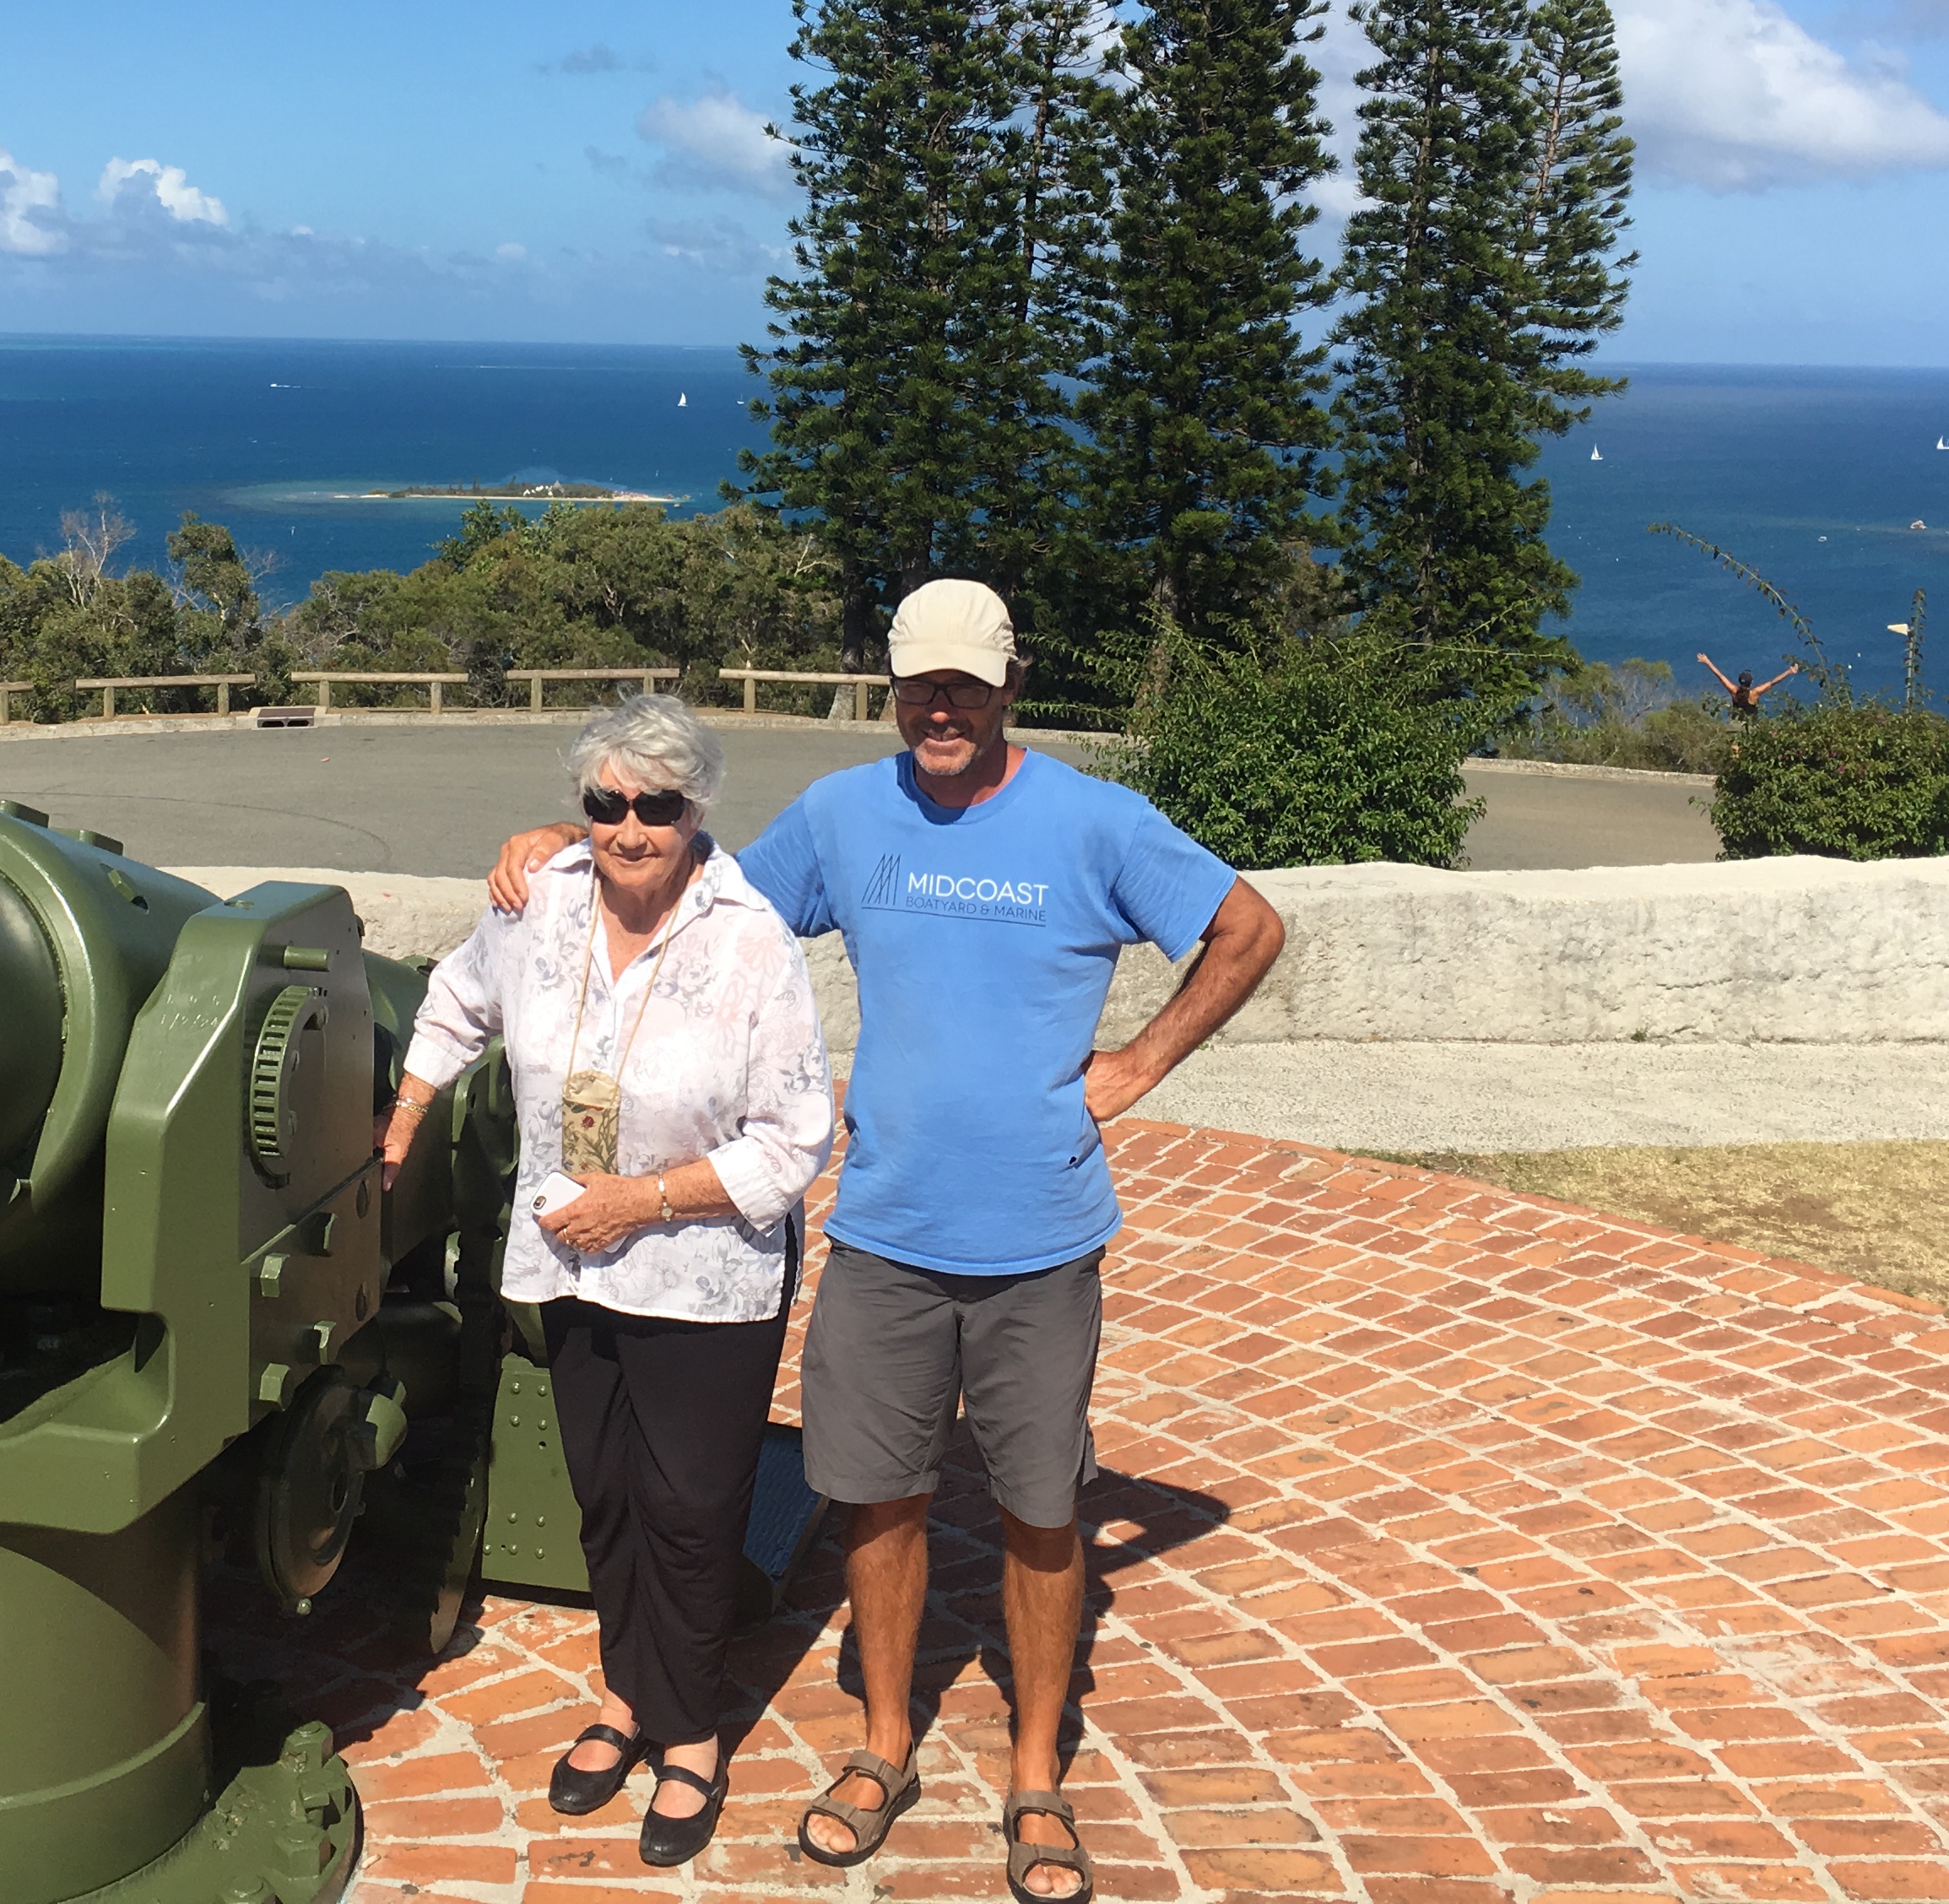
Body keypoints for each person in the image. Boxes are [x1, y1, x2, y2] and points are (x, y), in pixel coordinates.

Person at [487, 581, 1286, 1904]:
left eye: (966, 684)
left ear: (1010, 685)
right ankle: (883, 1746)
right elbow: (694, 884)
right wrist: (577, 839)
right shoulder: (847, 816)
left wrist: (1140, 1064)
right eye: (921, 685)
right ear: (896, 689)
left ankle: (1036, 1773)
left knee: (1042, 1515)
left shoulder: (1094, 821)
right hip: (885, 1234)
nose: (941, 708)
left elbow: (1247, 927)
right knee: (879, 1497)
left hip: (1040, 1239)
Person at [382, 693, 832, 1868]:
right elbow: (457, 1001)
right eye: (607, 802)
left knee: (690, 1511)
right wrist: (409, 1108)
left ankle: (692, 1736)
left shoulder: (750, 939)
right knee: (608, 1498)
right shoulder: (541, 901)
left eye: (658, 806)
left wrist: (641, 1199)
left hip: (701, 1276)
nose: (631, 828)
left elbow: (794, 1141)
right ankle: (629, 1697)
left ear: (698, 811)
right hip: (569, 1261)